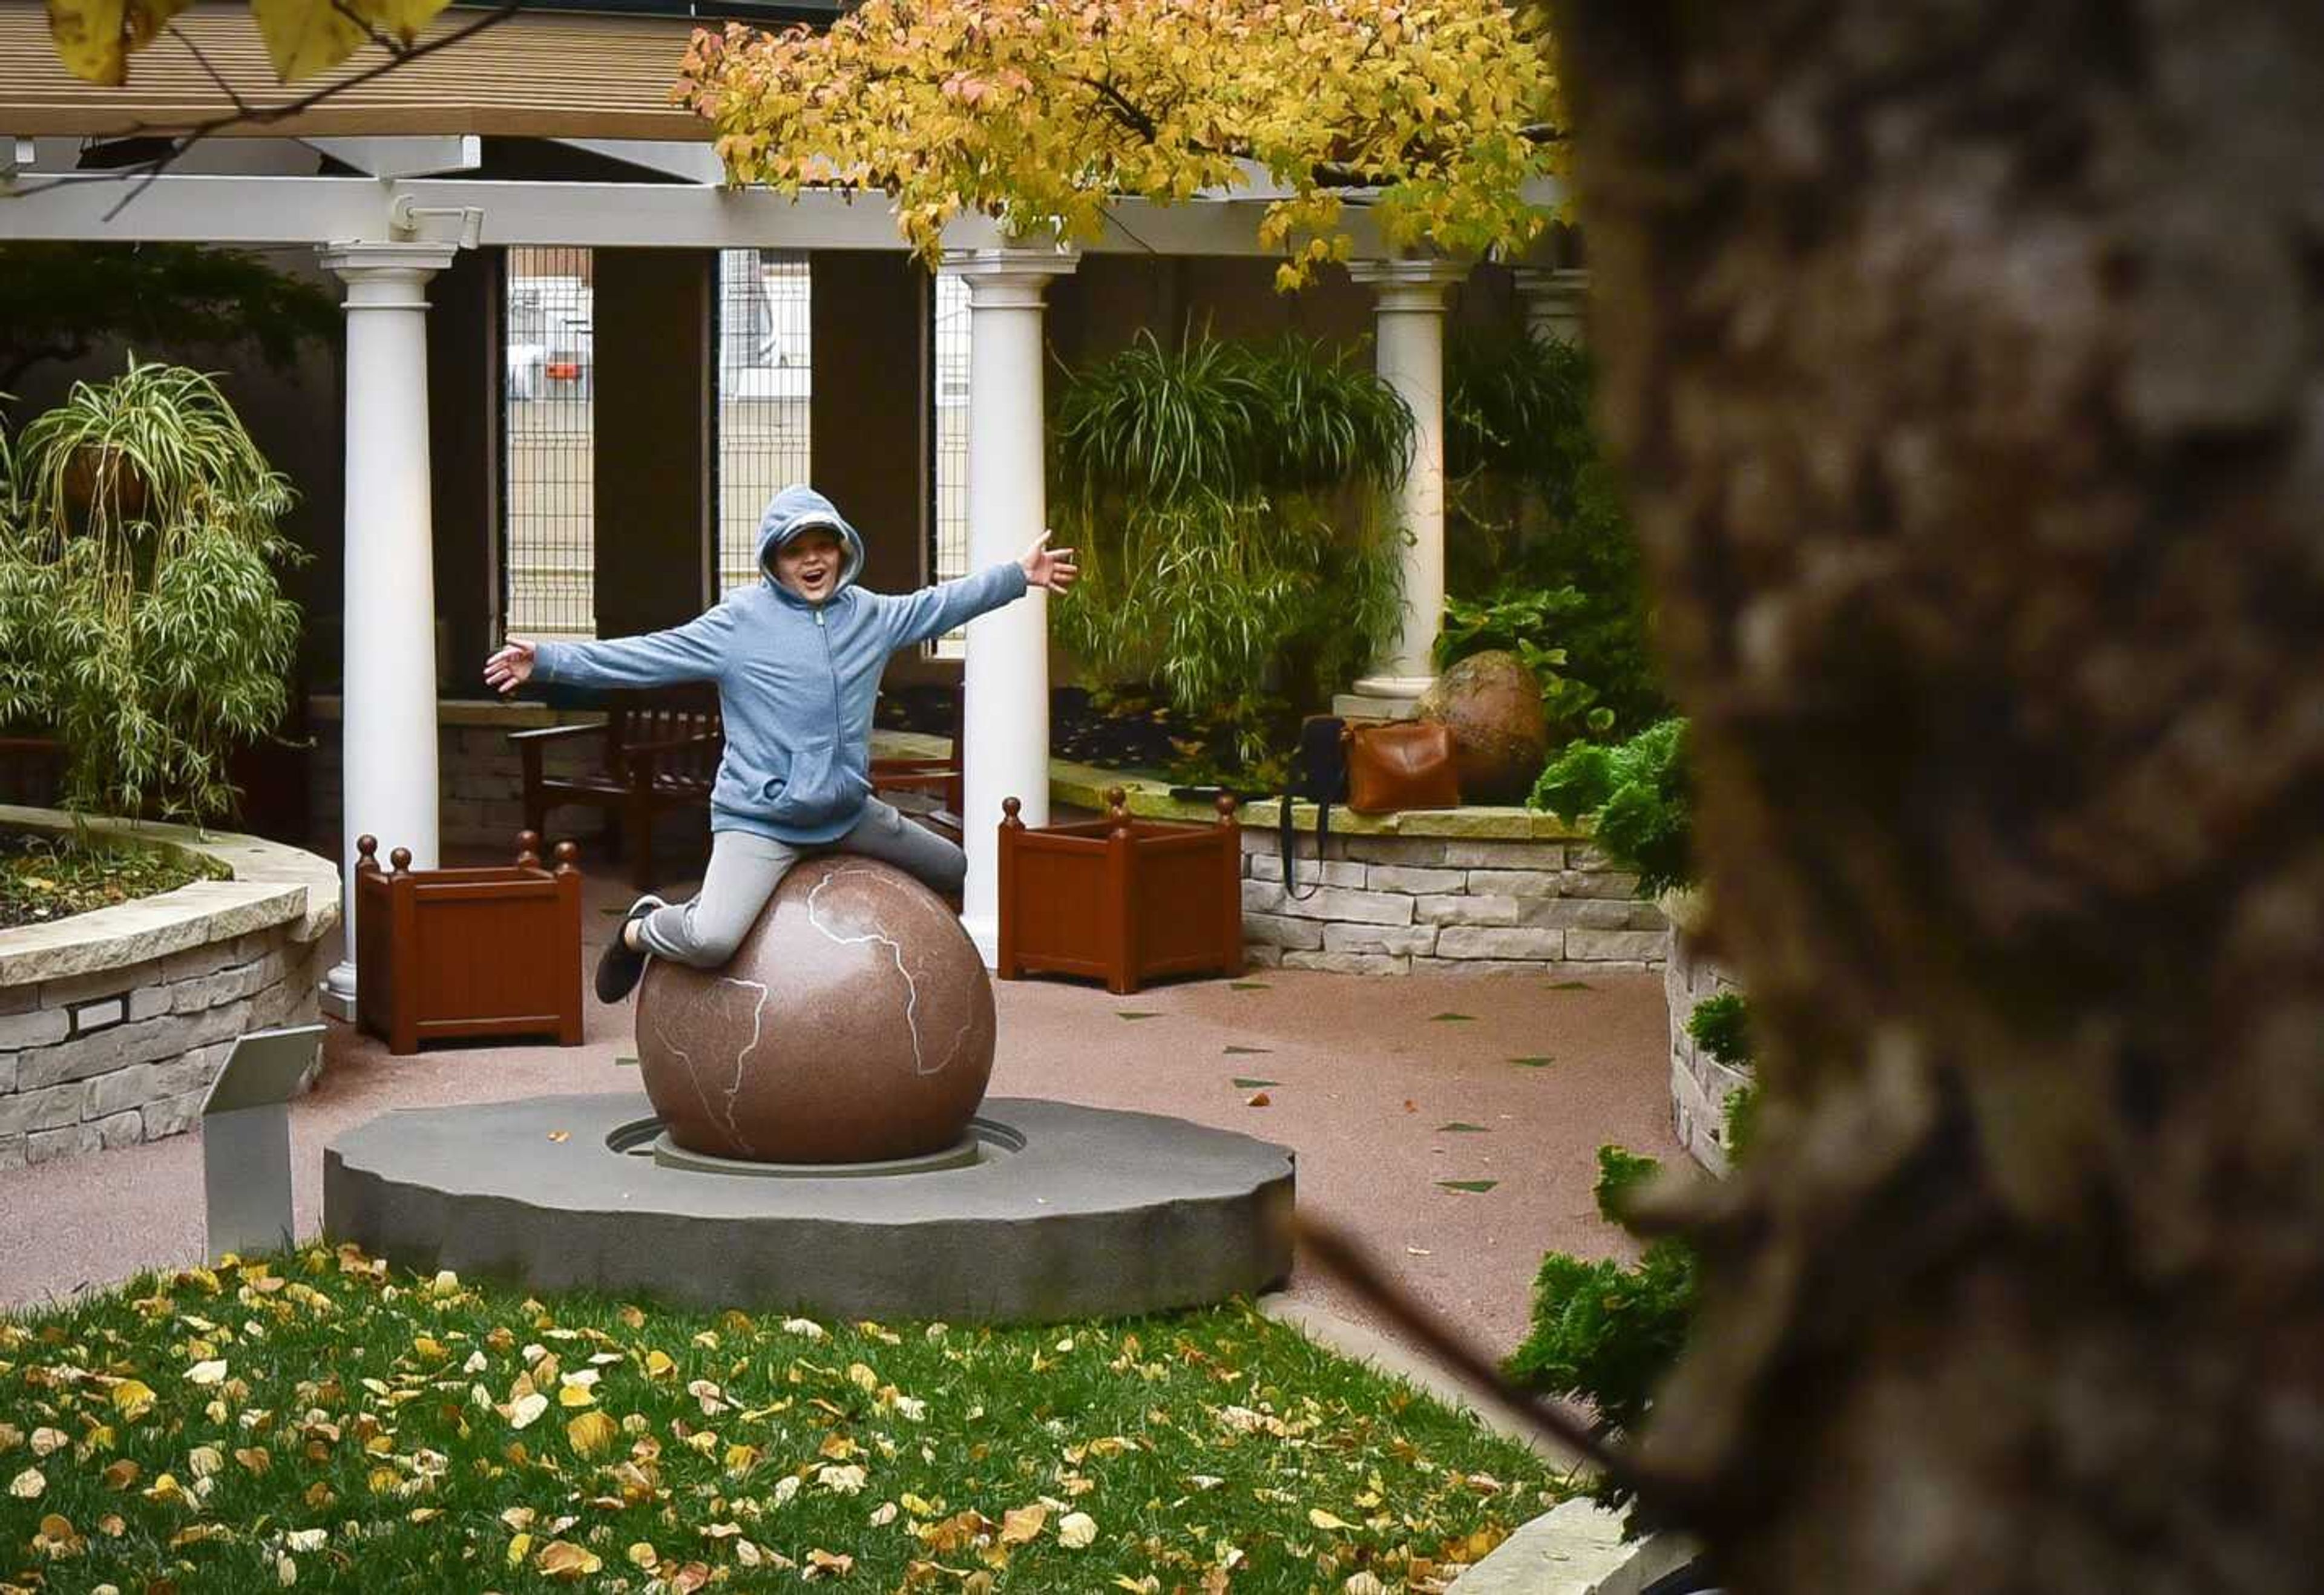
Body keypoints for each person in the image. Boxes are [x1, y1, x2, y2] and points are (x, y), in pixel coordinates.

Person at [484, 483, 1075, 1001]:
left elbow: (940, 603)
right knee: (713, 938)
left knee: (954, 865)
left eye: (822, 544)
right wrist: (548, 660)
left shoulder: (869, 614)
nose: (811, 559)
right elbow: (645, 655)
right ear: (775, 561)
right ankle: (643, 926)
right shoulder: (739, 622)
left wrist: (1017, 576)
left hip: (845, 810)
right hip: (762, 818)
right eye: (795, 550)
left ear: (842, 549)